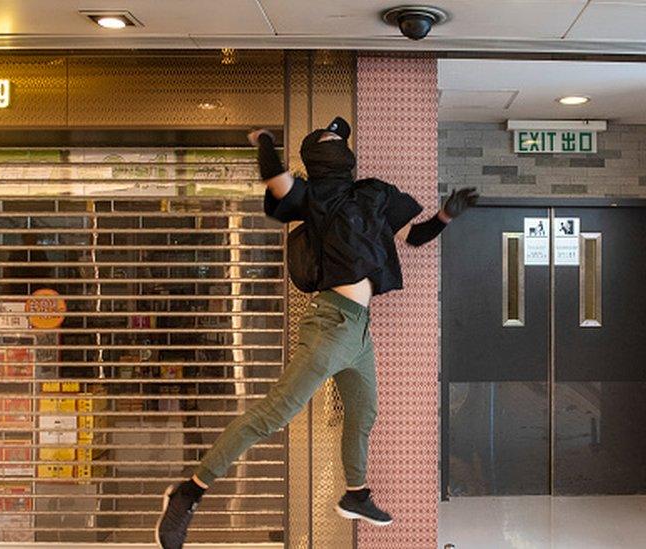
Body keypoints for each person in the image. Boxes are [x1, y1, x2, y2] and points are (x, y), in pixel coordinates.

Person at [156, 117, 478, 549]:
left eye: (339, 138)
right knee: (272, 416)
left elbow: (414, 237)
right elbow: (276, 179)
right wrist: (266, 142)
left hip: (360, 331)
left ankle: (357, 493)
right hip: (330, 323)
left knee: (363, 415)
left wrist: (444, 215)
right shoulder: (311, 197)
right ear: (315, 155)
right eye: (327, 139)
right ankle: (189, 492)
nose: (336, 142)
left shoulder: (373, 193)